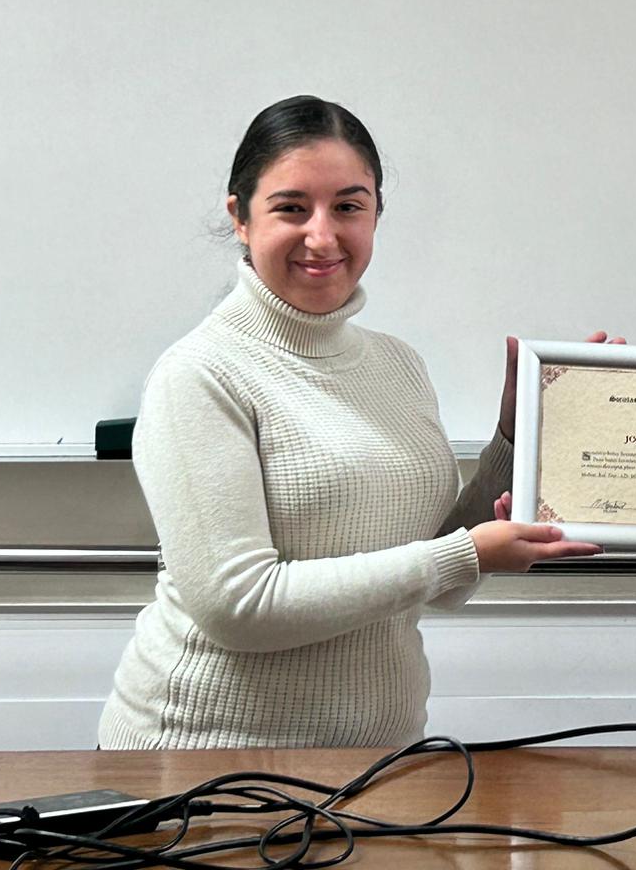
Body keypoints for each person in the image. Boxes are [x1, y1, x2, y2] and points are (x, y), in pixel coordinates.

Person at [99, 96, 605, 748]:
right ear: (240, 219)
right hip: (204, 771)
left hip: (375, 765)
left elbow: (438, 574)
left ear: (376, 214)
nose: (322, 235)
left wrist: (516, 437)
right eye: (290, 207)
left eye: (348, 206)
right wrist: (463, 555)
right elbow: (239, 607)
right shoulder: (199, 374)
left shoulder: (398, 365)